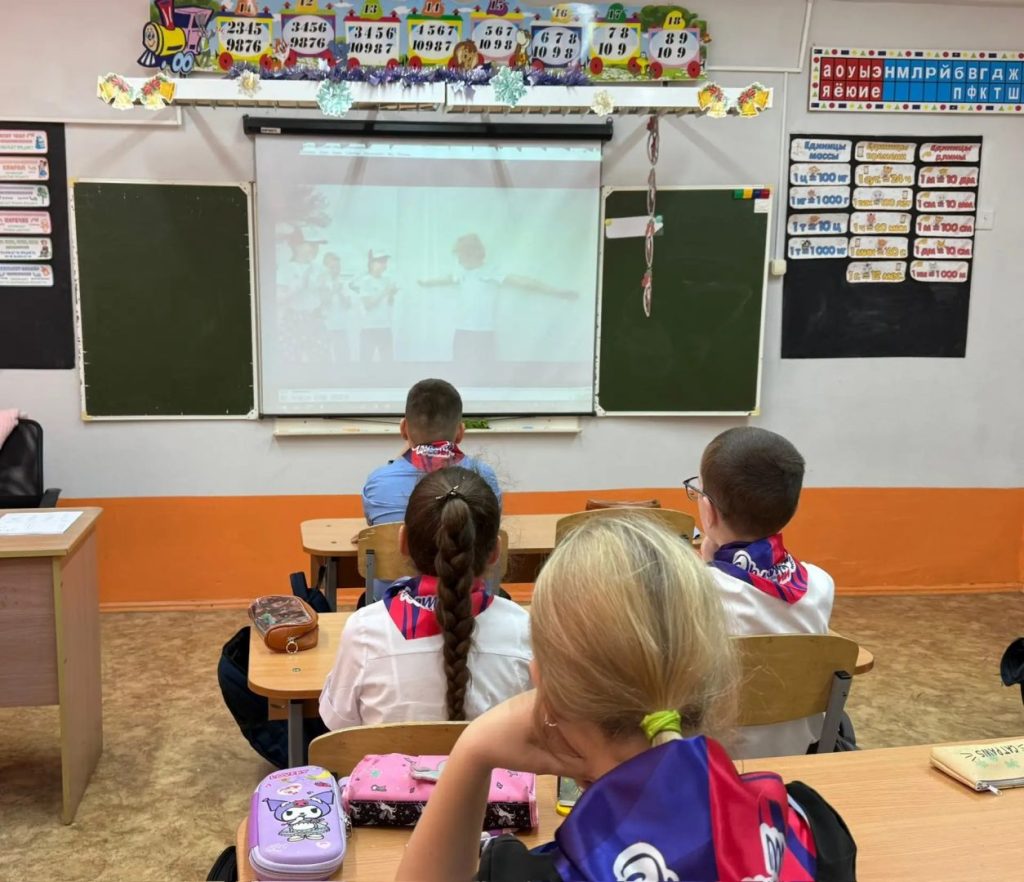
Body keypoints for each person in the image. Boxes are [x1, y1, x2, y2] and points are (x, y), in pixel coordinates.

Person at [397, 515, 854, 882]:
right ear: (713, 674)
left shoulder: (521, 873)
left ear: (546, 693)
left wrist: (473, 750)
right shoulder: (810, 828)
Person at [319, 467, 531, 730]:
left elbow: (339, 724)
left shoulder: (364, 631)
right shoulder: (524, 630)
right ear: (496, 551)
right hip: (493, 760)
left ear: (403, 542)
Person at [685, 426, 835, 758]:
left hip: (711, 763)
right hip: (798, 759)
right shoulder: (820, 584)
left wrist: (706, 567)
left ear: (708, 511)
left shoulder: (690, 594)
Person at [418, 234, 577, 368]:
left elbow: (524, 282)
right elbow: (446, 279)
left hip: (483, 332)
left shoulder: (491, 272)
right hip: (462, 331)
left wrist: (556, 292)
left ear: (471, 253)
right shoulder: (461, 273)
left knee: (487, 373)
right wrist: (426, 283)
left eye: (460, 254)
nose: (458, 259)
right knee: (459, 371)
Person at [362, 378, 502, 527]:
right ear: (460, 432)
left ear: (403, 429)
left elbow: (374, 532)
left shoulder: (378, 483)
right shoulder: (485, 478)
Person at [351, 247, 396, 363]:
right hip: (369, 328)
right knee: (365, 364)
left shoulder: (387, 279)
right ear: (372, 263)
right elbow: (368, 304)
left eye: (385, 261)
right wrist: (385, 291)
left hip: (385, 327)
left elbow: (389, 303)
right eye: (380, 262)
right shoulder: (365, 281)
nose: (384, 265)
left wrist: (391, 295)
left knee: (388, 363)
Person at [316, 252, 352, 364]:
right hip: (325, 327)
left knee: (343, 359)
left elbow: (348, 305)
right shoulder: (320, 282)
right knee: (325, 360)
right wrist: (333, 291)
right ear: (325, 267)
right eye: (333, 267)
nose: (336, 270)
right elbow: (322, 302)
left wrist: (340, 292)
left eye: (338, 267)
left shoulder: (343, 283)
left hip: (341, 327)